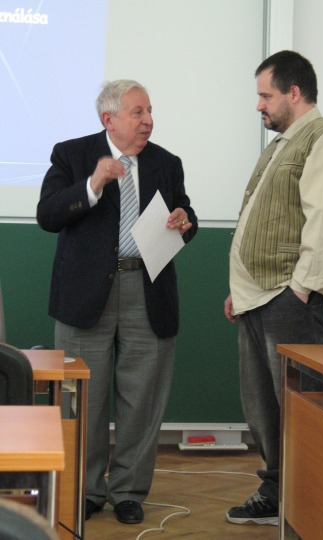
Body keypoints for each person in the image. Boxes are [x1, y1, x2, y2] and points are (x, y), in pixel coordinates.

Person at [37, 80, 198, 525]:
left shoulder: (166, 162)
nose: (148, 121)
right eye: (138, 112)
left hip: (148, 289)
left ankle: (128, 490)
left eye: (150, 111)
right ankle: (86, 490)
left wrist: (184, 220)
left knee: (141, 399)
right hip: (85, 294)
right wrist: (93, 184)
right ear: (109, 119)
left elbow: (185, 214)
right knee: (84, 400)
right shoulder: (71, 155)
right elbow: (48, 215)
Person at [224, 50, 323, 526]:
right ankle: (278, 493)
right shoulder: (282, 144)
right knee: (264, 407)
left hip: (292, 298)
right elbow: (265, 222)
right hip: (261, 296)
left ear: (294, 93)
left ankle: (317, 507)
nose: (259, 105)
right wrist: (242, 290)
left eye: (266, 95)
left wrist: (299, 291)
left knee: (304, 410)